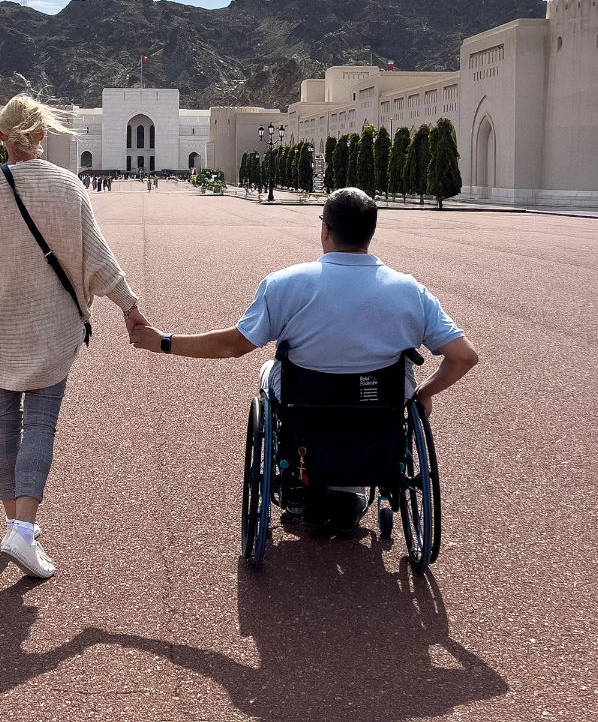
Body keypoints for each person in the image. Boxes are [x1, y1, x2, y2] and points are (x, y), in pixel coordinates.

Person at [130, 187, 478, 527]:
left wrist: (164, 342)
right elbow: (464, 357)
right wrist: (424, 393)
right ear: (371, 232)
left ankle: (299, 470)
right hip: (379, 401)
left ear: (325, 229)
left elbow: (232, 345)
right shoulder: (411, 291)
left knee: (269, 369)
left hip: (307, 400)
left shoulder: (285, 284)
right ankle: (352, 485)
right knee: (395, 381)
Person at [0, 94, 148, 579]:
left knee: (2, 421)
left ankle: (14, 526)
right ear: (42, 136)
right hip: (51, 324)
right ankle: (22, 529)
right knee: (40, 424)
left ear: (0, 136)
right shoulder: (66, 185)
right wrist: (130, 308)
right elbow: (98, 259)